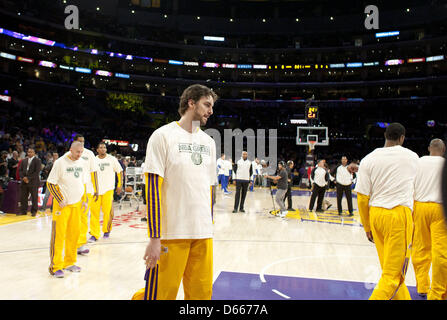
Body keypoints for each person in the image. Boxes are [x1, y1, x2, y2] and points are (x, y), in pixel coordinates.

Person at [136, 84, 218, 300]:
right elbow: (152, 189)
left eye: (212, 106)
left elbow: (210, 188)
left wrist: (209, 226)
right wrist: (154, 238)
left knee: (202, 296)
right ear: (191, 103)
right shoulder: (163, 136)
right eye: (206, 105)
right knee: (161, 295)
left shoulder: (209, 142)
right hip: (171, 234)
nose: (211, 111)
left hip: (202, 234)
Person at [354, 122, 419, 300]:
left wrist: (367, 226)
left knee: (390, 271)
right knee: (393, 277)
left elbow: (362, 197)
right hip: (398, 217)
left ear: (385, 136)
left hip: (376, 217)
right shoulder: (412, 157)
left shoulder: (368, 159)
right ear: (402, 138)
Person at [47, 141, 89, 278]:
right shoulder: (60, 162)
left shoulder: (82, 162)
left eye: (81, 152)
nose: (79, 155)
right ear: (71, 150)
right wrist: (59, 198)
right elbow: (50, 183)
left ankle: (69, 262)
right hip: (62, 206)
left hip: (77, 205)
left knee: (74, 235)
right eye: (77, 152)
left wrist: (85, 200)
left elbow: (83, 183)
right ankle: (55, 266)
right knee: (58, 236)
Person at [412, 138, 447, 300]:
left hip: (420, 206)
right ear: (444, 150)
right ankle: (438, 292)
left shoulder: (418, 162)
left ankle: (423, 286)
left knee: (420, 248)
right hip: (440, 208)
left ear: (428, 148)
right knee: (441, 252)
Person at [90, 142, 123, 240]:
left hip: (108, 189)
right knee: (94, 213)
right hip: (95, 191)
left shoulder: (112, 159)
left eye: (104, 147)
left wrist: (119, 185)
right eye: (100, 147)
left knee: (107, 212)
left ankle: (106, 230)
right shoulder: (93, 160)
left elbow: (119, 171)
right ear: (97, 150)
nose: (103, 149)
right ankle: (94, 234)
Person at [73, 134, 99, 255]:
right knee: (73, 219)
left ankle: (81, 243)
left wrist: (96, 189)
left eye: (83, 142)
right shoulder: (68, 155)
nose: (82, 144)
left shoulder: (89, 154)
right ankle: (71, 242)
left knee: (84, 218)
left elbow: (94, 172)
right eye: (79, 141)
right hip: (72, 190)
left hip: (86, 189)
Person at [18, 147, 42, 216]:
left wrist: (28, 178)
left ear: (34, 153)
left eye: (31, 152)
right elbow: (20, 170)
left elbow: (37, 172)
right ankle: (23, 211)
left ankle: (34, 211)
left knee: (34, 197)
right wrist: (23, 178)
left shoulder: (37, 160)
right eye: (28, 152)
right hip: (24, 181)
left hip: (33, 182)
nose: (29, 153)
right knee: (23, 197)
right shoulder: (23, 161)